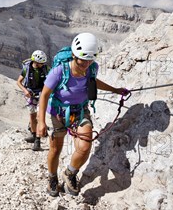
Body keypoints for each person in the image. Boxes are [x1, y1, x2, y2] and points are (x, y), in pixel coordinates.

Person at [36, 33, 128, 197]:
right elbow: (44, 95)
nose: (86, 64)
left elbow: (93, 82)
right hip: (58, 114)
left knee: (85, 146)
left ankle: (70, 173)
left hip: (80, 111)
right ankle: (52, 178)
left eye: (89, 60)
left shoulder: (91, 69)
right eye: (82, 60)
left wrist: (115, 90)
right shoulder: (59, 72)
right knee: (56, 149)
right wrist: (41, 122)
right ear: (74, 55)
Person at [16, 50, 49, 151]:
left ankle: (37, 141)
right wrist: (25, 91)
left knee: (39, 117)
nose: (42, 65)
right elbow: (19, 82)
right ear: (35, 61)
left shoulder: (46, 69)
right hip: (30, 95)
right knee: (32, 117)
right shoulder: (26, 68)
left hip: (41, 95)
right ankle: (34, 135)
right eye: (41, 63)